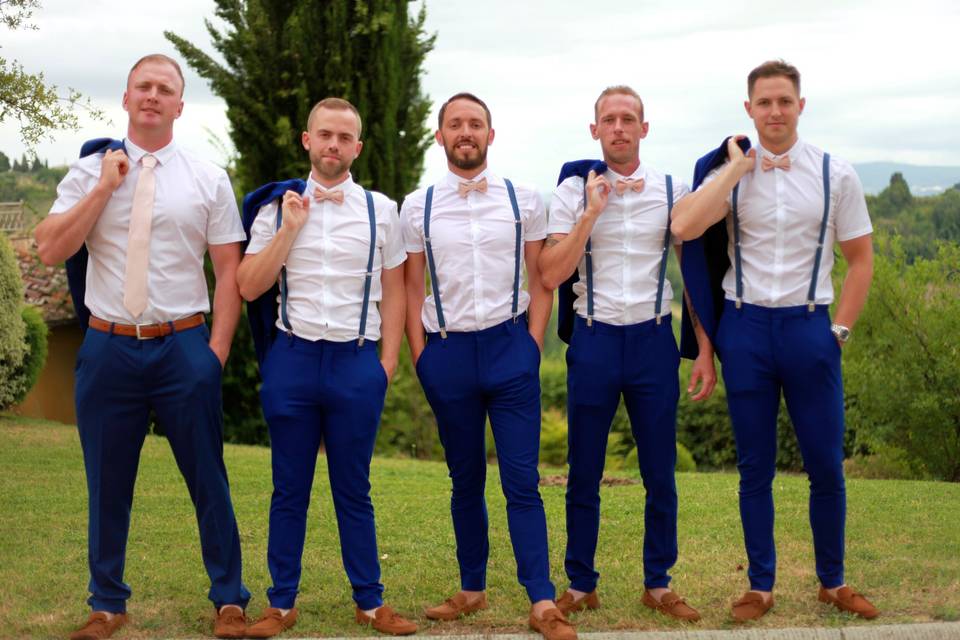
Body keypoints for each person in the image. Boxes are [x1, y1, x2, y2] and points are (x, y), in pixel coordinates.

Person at [35, 53, 250, 639]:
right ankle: (107, 603)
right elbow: (51, 249)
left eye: (165, 89)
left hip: (184, 346)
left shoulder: (208, 179)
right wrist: (105, 186)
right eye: (142, 87)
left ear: (180, 105)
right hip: (108, 348)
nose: (153, 96)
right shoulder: (88, 174)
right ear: (127, 100)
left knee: (208, 474)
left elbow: (228, 270)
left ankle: (229, 598)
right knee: (106, 479)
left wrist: (217, 352)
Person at [670, 59, 878, 622]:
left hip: (811, 328)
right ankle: (760, 586)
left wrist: (838, 332)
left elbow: (860, 261)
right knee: (755, 466)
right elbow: (684, 231)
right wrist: (737, 171)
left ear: (801, 106)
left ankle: (832, 582)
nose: (775, 111)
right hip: (746, 330)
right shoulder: (725, 173)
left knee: (825, 464)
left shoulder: (837, 174)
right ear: (749, 110)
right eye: (764, 102)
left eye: (784, 101)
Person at [236, 98, 415, 637]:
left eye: (345, 136)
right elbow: (248, 286)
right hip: (292, 359)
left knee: (353, 488)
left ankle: (370, 601)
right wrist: (290, 229)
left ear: (357, 147)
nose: (334, 144)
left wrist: (385, 362)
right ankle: (281, 604)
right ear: (307, 141)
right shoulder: (276, 208)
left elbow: (395, 287)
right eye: (325, 135)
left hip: (356, 362)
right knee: (288, 487)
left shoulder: (383, 210)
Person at [400, 93, 574, 640]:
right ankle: (471, 588)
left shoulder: (523, 199)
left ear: (490, 136)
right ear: (441, 136)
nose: (465, 132)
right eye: (455, 124)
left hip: (509, 348)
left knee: (523, 481)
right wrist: (421, 356)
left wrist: (532, 343)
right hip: (446, 353)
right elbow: (410, 287)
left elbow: (543, 277)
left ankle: (542, 599)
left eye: (475, 123)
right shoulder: (417, 205)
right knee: (465, 480)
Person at [538, 86, 714, 623]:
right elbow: (548, 273)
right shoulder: (573, 191)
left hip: (653, 341)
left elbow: (694, 274)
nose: (618, 127)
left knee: (660, 469)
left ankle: (658, 583)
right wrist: (591, 213)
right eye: (608, 120)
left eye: (628, 119)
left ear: (644, 127)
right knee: (583, 468)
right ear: (595, 130)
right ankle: (580, 582)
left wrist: (705, 348)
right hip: (593, 341)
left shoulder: (671, 188)